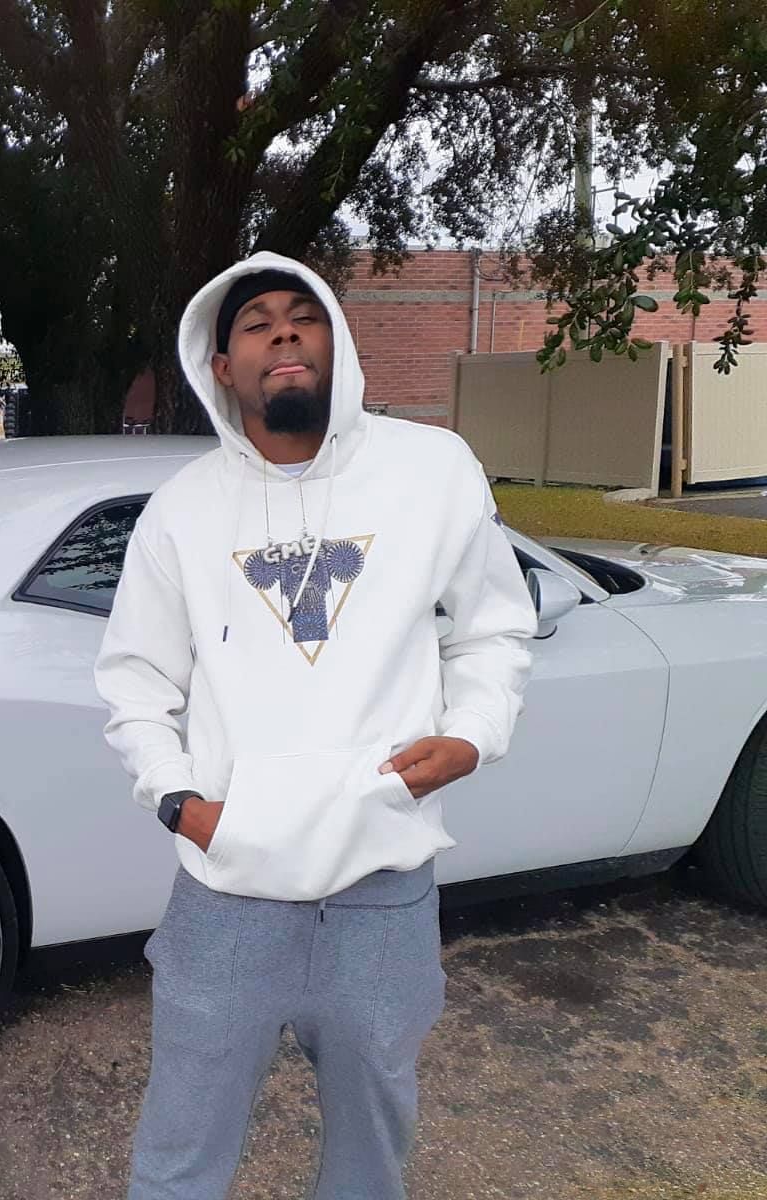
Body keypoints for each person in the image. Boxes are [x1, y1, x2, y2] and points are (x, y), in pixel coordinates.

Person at [95, 253, 536, 1200]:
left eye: (304, 315)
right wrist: (181, 803)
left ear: (338, 339)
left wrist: (471, 735)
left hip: (381, 885)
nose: (284, 332)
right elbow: (136, 679)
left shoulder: (431, 470)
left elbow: (494, 628)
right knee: (179, 1153)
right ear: (221, 368)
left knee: (371, 1155)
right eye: (256, 324)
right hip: (227, 889)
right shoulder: (182, 509)